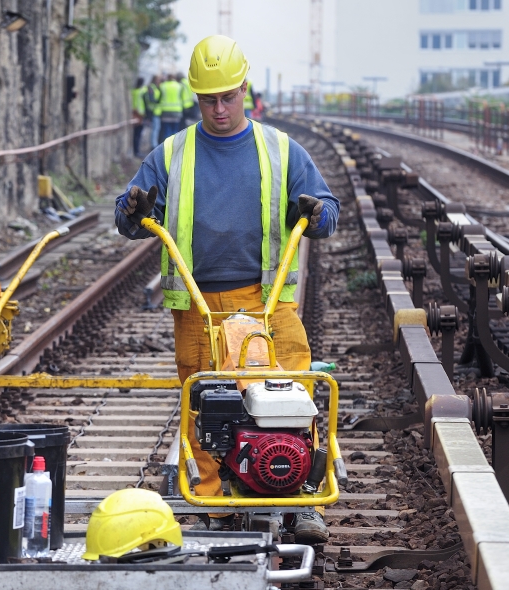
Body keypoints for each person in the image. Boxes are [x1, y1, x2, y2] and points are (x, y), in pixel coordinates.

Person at [114, 35, 340, 544]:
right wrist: (132, 210)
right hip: (197, 306)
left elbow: (327, 210)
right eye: (208, 99)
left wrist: (317, 212)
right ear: (196, 98)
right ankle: (214, 505)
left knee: (293, 393)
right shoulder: (170, 153)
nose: (219, 109)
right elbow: (127, 217)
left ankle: (301, 497)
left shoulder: (281, 151)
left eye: (228, 97)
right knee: (204, 405)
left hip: (266, 300)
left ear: (244, 88)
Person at [157, 73, 184, 142]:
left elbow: (159, 98)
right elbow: (182, 98)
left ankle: (167, 148)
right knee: (175, 131)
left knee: (166, 132)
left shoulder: (163, 86)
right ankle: (174, 148)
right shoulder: (179, 86)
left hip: (165, 111)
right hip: (176, 111)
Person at [131, 77, 146, 156]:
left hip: (134, 113)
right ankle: (137, 151)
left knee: (135, 134)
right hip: (140, 114)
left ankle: (135, 150)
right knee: (138, 134)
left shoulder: (134, 91)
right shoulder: (142, 91)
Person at [147, 74, 163, 149]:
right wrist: (158, 101)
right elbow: (151, 99)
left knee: (157, 128)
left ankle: (154, 144)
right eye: (158, 79)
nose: (159, 81)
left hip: (158, 111)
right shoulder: (151, 87)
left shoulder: (157, 87)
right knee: (155, 129)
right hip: (154, 111)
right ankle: (153, 145)